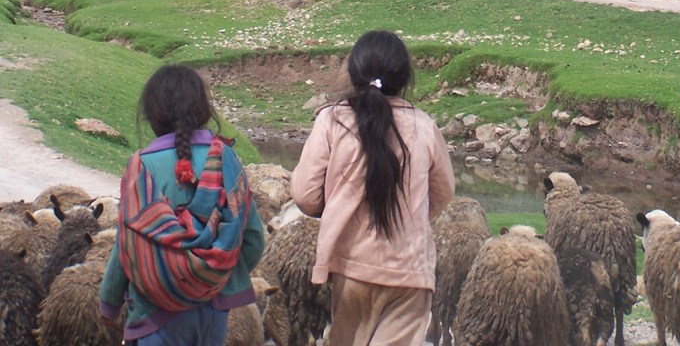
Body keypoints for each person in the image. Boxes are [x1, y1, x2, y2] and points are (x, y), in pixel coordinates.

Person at [291, 29, 455, 346]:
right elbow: (443, 192)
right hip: (409, 273)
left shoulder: (332, 120)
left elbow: (305, 196)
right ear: (405, 77)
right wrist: (412, 214)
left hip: (350, 267)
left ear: (354, 72)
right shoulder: (424, 126)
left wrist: (338, 206)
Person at [99, 64, 265, 344]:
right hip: (212, 314)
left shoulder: (142, 167)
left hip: (154, 313)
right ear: (202, 109)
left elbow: (127, 246)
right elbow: (253, 239)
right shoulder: (227, 159)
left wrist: (109, 301)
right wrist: (213, 278)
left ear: (152, 115)